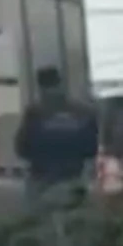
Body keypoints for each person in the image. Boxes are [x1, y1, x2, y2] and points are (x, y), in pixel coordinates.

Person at [15, 67, 100, 201]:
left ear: (40, 87)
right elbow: (92, 148)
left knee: (36, 217)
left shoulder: (34, 113)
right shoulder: (83, 111)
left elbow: (22, 148)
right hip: (73, 177)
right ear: (61, 83)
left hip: (42, 178)